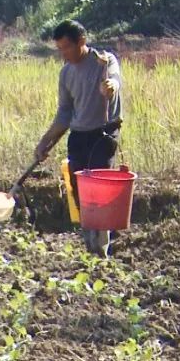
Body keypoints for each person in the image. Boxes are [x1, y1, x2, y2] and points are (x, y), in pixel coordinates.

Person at [34, 19, 124, 255]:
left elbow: (113, 81)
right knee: (79, 188)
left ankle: (104, 246)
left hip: (103, 133)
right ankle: (90, 244)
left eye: (67, 47)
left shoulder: (103, 62)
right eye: (60, 48)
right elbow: (64, 114)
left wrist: (110, 87)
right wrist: (45, 142)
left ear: (81, 42)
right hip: (79, 135)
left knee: (100, 188)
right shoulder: (66, 74)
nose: (63, 53)